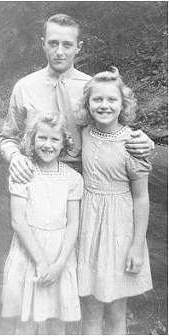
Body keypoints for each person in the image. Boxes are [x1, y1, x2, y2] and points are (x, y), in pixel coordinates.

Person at [0, 14, 154, 182]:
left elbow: (115, 131)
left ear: (78, 47)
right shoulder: (24, 87)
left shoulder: (93, 90)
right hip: (35, 175)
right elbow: (7, 138)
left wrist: (144, 142)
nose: (59, 52)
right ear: (43, 43)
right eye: (53, 43)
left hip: (82, 178)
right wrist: (15, 157)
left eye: (67, 45)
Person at [77, 67, 153, 335]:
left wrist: (135, 247)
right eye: (97, 99)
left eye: (112, 99)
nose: (104, 105)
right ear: (88, 104)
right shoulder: (84, 133)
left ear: (123, 105)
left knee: (117, 311)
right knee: (90, 311)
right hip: (88, 229)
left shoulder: (133, 143)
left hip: (120, 233)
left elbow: (141, 198)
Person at [1, 114, 83, 335]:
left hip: (59, 256)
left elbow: (73, 224)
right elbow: (18, 221)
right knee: (25, 321)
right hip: (29, 254)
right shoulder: (23, 172)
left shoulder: (73, 178)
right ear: (32, 139)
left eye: (54, 140)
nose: (47, 144)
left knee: (56, 321)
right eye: (42, 138)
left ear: (64, 143)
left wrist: (57, 266)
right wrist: (41, 263)